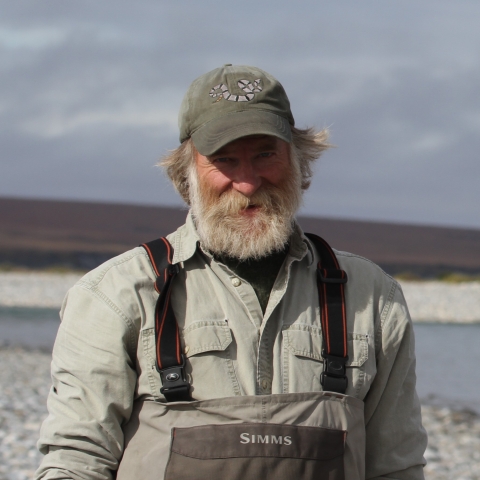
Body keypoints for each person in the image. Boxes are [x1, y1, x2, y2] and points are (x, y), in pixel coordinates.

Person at [35, 64, 427, 480]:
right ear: (185, 173)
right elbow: (76, 458)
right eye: (224, 159)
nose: (247, 181)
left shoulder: (373, 297)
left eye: (265, 154)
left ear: (298, 159)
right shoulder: (115, 295)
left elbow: (396, 466)